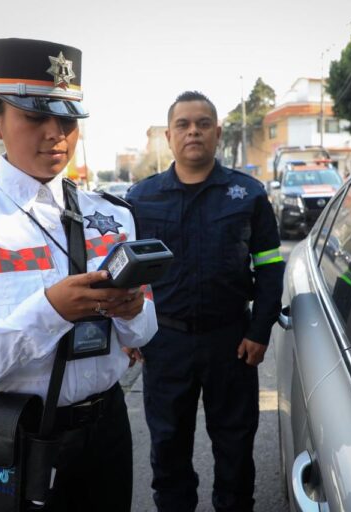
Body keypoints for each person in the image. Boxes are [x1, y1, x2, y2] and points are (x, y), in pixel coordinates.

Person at [0, 38, 156, 511]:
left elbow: (146, 330)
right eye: (33, 117)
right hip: (19, 435)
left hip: (106, 428)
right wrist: (48, 311)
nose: (55, 134)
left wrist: (132, 311)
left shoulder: (112, 217)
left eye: (67, 120)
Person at [126, 91, 285, 511]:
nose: (193, 130)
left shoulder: (247, 194)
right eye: (183, 124)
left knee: (235, 450)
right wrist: (126, 331)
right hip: (165, 344)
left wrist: (259, 330)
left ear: (217, 131)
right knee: (168, 449)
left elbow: (269, 267)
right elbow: (121, 273)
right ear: (169, 135)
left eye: (202, 123)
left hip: (231, 343)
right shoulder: (140, 199)